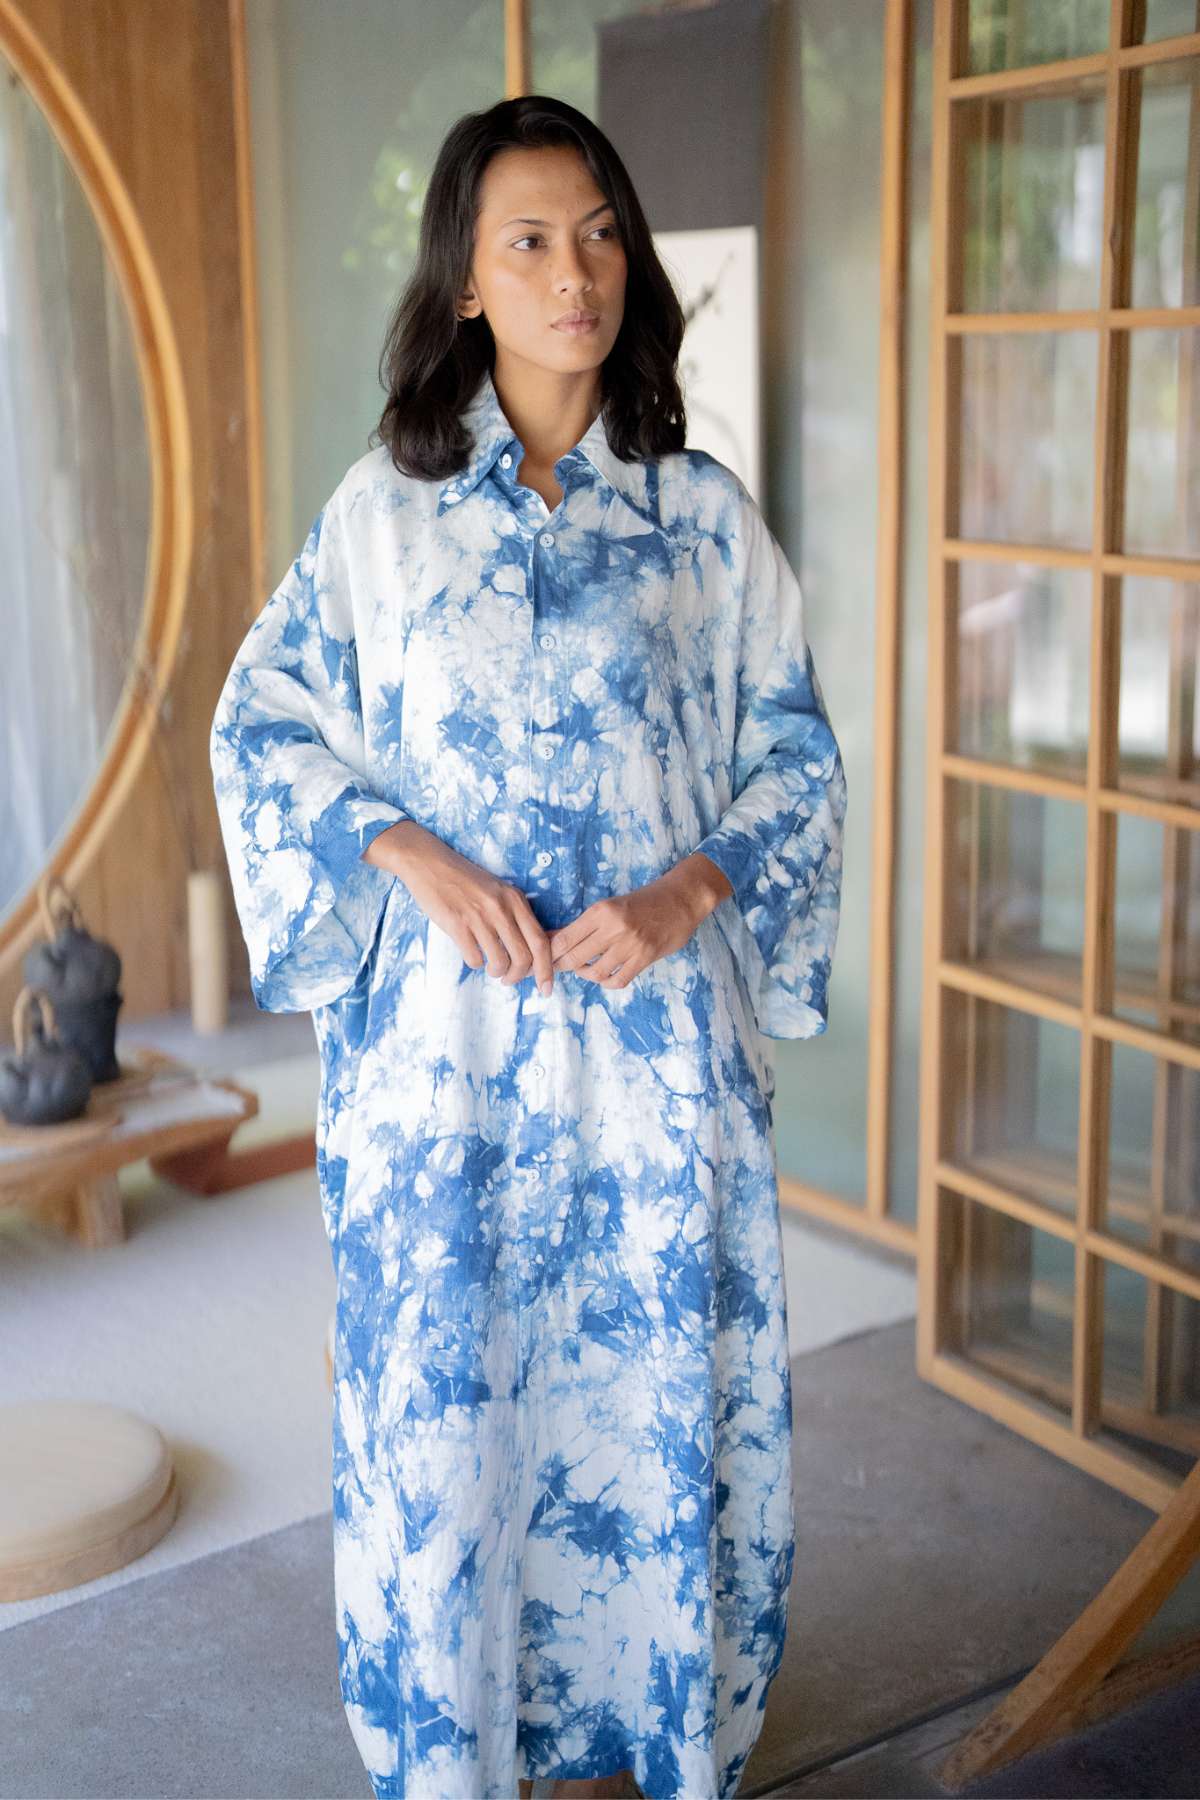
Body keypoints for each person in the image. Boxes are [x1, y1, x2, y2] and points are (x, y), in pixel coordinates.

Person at [210, 92, 847, 1800]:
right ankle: (464, 1748)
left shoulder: (703, 522)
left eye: (601, 232)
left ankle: (650, 1734)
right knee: (453, 1419)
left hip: (659, 1090)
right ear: (468, 284)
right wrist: (403, 849)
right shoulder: (381, 517)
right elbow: (261, 728)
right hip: (449, 1087)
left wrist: (689, 888)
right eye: (529, 241)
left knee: (647, 1407)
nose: (577, 273)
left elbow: (797, 756)